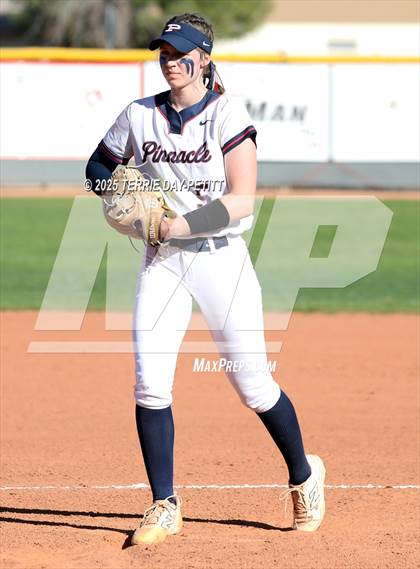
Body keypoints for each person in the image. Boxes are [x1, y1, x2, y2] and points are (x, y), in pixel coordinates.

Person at [85, 12, 326, 546]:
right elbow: (97, 167)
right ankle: (163, 504)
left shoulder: (225, 114)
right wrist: (123, 197)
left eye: (181, 54)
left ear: (204, 58)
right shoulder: (139, 115)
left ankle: (304, 475)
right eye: (165, 53)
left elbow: (243, 199)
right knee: (150, 384)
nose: (171, 62)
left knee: (253, 386)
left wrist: (180, 223)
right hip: (163, 261)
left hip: (222, 260)